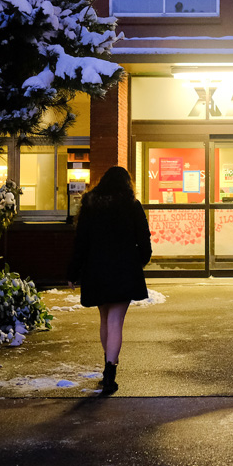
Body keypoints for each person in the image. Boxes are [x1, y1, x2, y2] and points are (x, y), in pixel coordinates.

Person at [67, 166, 152, 395]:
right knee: (116, 321)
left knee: (105, 319)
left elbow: (80, 242)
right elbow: (144, 239)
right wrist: (139, 262)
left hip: (96, 269)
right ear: (126, 184)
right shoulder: (131, 205)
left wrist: (73, 272)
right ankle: (110, 372)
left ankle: (107, 364)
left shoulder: (90, 205)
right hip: (124, 269)